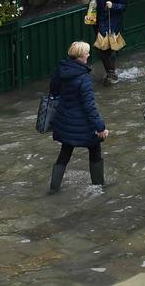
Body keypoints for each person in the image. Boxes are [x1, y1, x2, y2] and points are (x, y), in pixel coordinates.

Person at [48, 41, 108, 193]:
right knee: (95, 149)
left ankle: (53, 189)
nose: (89, 55)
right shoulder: (84, 77)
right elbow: (89, 106)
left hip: (64, 120)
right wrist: (100, 127)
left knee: (65, 152)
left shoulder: (61, 69)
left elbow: (54, 92)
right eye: (87, 53)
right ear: (81, 56)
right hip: (83, 123)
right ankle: (98, 186)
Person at [91, 0, 128, 85]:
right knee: (103, 49)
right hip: (99, 20)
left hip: (112, 22)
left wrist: (113, 6)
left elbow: (123, 5)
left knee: (105, 49)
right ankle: (111, 73)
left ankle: (111, 73)